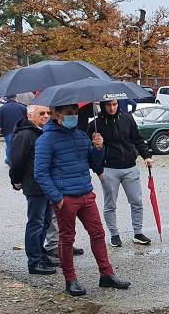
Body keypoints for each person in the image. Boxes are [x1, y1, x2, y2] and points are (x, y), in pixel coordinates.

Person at [34, 104, 130, 296]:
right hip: (66, 197)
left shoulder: (80, 136)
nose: (74, 116)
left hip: (86, 193)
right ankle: (70, 279)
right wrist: (57, 198)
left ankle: (106, 274)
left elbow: (94, 164)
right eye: (69, 113)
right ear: (57, 115)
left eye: (76, 113)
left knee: (98, 233)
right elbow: (40, 173)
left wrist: (99, 148)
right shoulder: (46, 139)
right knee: (67, 238)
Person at [89, 99, 154, 247]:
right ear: (102, 105)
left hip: (130, 167)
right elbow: (88, 150)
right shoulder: (95, 124)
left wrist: (146, 156)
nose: (112, 108)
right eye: (108, 105)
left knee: (136, 202)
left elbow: (137, 139)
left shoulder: (127, 118)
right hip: (109, 169)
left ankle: (138, 232)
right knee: (110, 204)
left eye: (114, 104)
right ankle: (114, 234)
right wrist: (98, 165)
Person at [9, 105, 57, 275]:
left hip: (46, 185)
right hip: (34, 185)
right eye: (41, 113)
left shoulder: (42, 132)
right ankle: (34, 261)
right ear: (30, 115)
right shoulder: (26, 134)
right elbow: (17, 160)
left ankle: (41, 255)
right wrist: (16, 180)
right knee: (36, 223)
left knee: (44, 222)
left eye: (48, 113)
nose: (46, 116)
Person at [0, 94, 27, 164]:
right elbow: (27, 119)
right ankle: (20, 160)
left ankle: (10, 161)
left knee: (9, 147)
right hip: (21, 130)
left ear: (7, 98)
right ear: (15, 97)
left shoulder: (2, 108)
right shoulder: (23, 107)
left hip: (8, 131)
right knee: (20, 146)